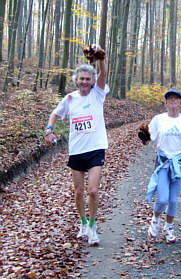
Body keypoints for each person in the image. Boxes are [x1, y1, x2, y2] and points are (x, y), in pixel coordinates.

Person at [45, 45, 109, 246]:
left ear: (92, 81)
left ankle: (92, 226)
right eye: (81, 79)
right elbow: (55, 114)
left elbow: (103, 73)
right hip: (76, 150)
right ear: (76, 80)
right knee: (79, 192)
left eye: (87, 79)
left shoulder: (97, 93)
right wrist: (49, 130)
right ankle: (82, 223)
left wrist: (100, 58)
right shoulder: (70, 98)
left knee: (92, 191)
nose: (84, 82)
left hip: (96, 148)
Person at [138, 89, 181, 243]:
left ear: (180, 102)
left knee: (173, 200)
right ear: (166, 103)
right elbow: (148, 139)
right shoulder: (158, 119)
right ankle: (155, 220)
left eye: (176, 99)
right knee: (162, 199)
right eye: (170, 99)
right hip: (163, 162)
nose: (173, 102)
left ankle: (169, 227)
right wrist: (144, 137)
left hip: (179, 163)